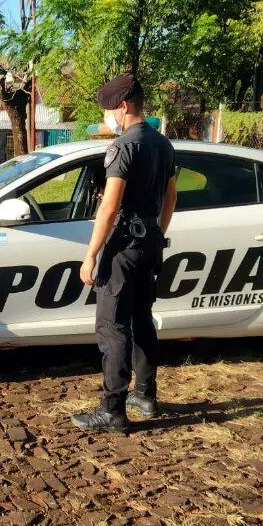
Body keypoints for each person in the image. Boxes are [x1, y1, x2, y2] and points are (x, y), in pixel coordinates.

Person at [71, 72, 178, 433]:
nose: (108, 117)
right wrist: (157, 232)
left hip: (123, 247)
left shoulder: (123, 146)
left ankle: (112, 410)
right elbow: (171, 197)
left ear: (123, 106)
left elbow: (110, 206)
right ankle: (145, 395)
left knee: (112, 327)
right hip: (149, 244)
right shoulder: (163, 144)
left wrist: (91, 254)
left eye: (109, 110)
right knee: (142, 320)